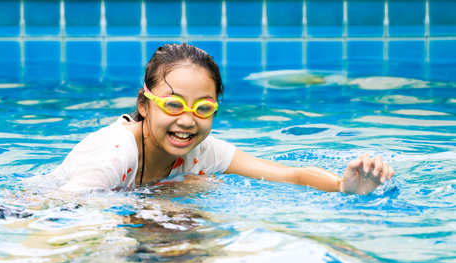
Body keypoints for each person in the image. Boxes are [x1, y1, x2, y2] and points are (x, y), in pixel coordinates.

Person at [51, 43, 394, 195]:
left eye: (203, 108)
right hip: (26, 211)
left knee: (194, 186)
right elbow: (57, 214)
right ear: (144, 104)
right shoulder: (112, 154)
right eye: (173, 105)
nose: (187, 120)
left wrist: (343, 186)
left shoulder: (200, 150)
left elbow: (288, 173)